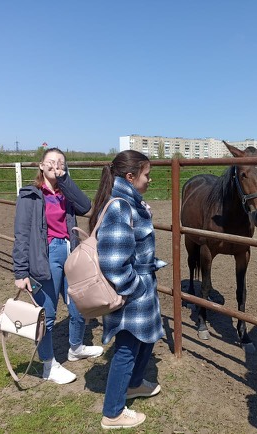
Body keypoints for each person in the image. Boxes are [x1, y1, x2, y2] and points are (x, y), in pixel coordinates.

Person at [12, 147, 103, 385]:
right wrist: (20, 272)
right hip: (46, 256)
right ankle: (48, 366)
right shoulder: (30, 195)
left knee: (79, 305)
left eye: (60, 162)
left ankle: (75, 347)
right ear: (41, 166)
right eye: (51, 162)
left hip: (70, 253)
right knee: (48, 314)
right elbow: (21, 235)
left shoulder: (66, 193)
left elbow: (85, 207)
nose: (55, 165)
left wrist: (65, 180)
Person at [89, 150, 166, 430]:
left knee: (145, 339)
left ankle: (133, 385)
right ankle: (112, 414)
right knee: (126, 348)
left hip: (142, 288)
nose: (150, 180)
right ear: (131, 177)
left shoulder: (132, 203)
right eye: (146, 175)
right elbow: (113, 263)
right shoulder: (119, 207)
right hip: (133, 293)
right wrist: (136, 287)